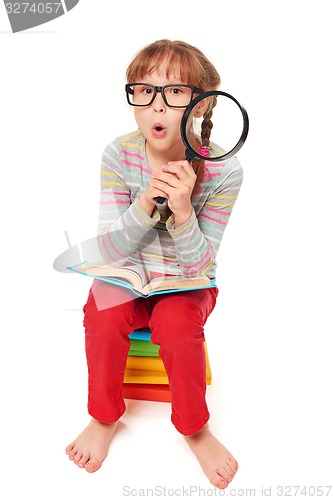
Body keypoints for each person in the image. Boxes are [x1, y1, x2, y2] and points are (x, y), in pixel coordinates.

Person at [65, 39, 243, 489]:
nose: (155, 107)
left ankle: (194, 428)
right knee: (101, 317)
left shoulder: (224, 170)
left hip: (187, 282)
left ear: (202, 104)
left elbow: (202, 265)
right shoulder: (118, 155)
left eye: (175, 92)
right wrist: (145, 201)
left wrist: (183, 212)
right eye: (143, 91)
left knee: (178, 328)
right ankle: (104, 417)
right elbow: (110, 249)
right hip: (127, 274)